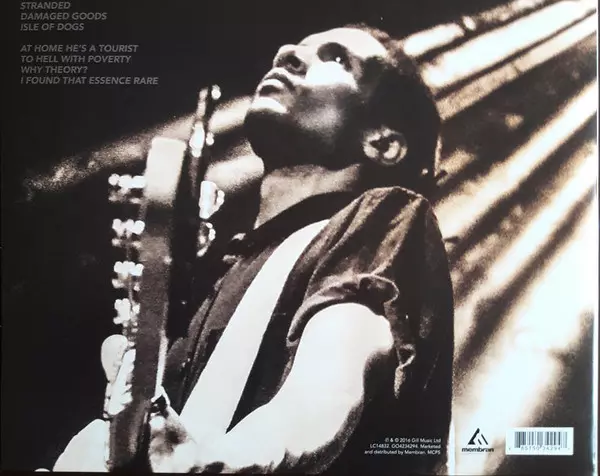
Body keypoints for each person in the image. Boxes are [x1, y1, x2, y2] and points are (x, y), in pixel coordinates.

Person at [54, 24, 454, 474]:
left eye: (338, 58)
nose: (287, 52)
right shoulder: (220, 276)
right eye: (296, 46)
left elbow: (330, 384)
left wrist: (226, 459)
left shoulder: (386, 215)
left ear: (383, 142)